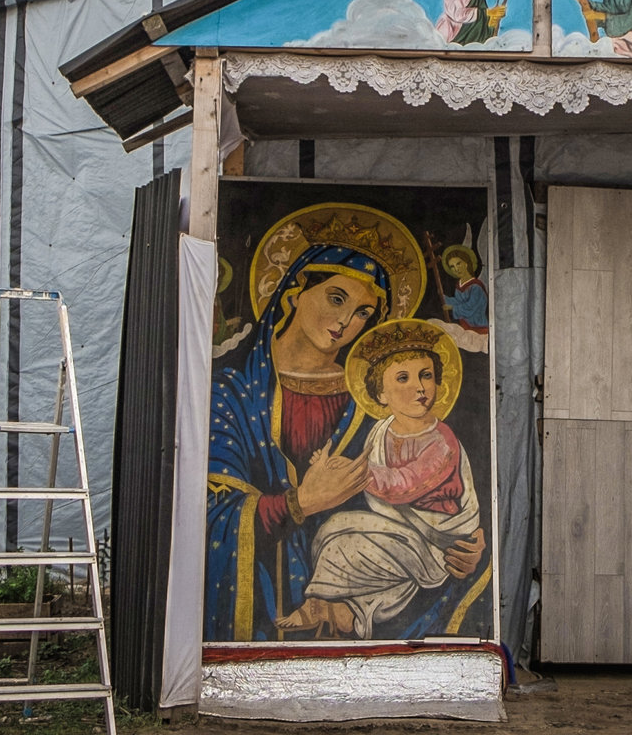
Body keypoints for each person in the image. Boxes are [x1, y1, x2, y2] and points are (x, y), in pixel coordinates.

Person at [204, 243, 394, 641]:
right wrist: (300, 503)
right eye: (336, 298)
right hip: (267, 587)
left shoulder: (372, 404)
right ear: (295, 291)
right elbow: (210, 514)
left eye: (363, 313)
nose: (345, 321)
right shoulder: (231, 393)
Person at [274, 320, 487, 638]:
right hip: (399, 530)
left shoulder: (441, 442)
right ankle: (341, 612)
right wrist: (332, 469)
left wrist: (349, 470)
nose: (419, 387)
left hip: (436, 541)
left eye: (426, 375)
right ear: (380, 393)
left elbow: (402, 483)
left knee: (353, 547)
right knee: (333, 529)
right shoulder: (381, 431)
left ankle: (321, 606)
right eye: (403, 377)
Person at [434, 243, 490, 353]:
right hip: (466, 327)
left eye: (458, 264)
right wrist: (443, 298)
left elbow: (470, 308)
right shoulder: (459, 285)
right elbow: (458, 301)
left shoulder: (476, 286)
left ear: (466, 263)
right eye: (452, 267)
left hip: (479, 330)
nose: (456, 269)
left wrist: (452, 307)